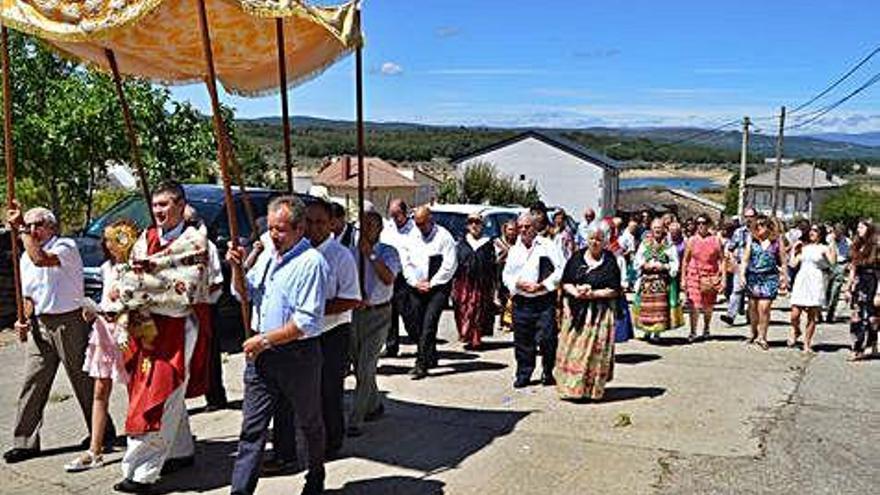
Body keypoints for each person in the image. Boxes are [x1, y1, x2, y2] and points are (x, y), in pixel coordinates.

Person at [106, 182, 220, 493]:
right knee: (155, 391)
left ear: (181, 205)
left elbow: (203, 284)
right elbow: (132, 275)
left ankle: (142, 471)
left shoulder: (198, 243)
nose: (158, 211)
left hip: (179, 328)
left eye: (165, 204)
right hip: (145, 325)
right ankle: (180, 451)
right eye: (155, 205)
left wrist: (151, 284)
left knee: (160, 394)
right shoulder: (146, 238)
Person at [227, 196, 329, 495]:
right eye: (271, 228)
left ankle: (315, 476)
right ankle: (240, 491)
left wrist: (264, 340)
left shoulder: (312, 263)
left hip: (297, 355)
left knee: (309, 421)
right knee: (252, 429)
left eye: (280, 229)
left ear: (299, 228)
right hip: (262, 356)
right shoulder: (269, 256)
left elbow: (306, 322)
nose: (273, 234)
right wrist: (237, 267)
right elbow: (243, 294)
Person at [3, 202, 116, 465]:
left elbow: (40, 259)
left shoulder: (64, 247)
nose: (32, 230)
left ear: (52, 226)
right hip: (41, 323)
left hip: (69, 321)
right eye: (28, 225)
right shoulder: (25, 256)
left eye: (37, 225)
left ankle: (101, 430)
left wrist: (20, 229)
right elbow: (30, 294)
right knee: (33, 381)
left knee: (82, 378)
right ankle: (24, 441)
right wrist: (22, 319)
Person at [65, 220, 136, 472]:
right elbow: (105, 298)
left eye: (116, 238)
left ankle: (138, 441)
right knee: (99, 390)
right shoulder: (107, 267)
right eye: (106, 239)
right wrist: (92, 311)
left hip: (127, 333)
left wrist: (119, 308)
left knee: (134, 389)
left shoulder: (135, 268)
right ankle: (95, 449)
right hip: (104, 333)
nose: (110, 244)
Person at [306, 200, 361, 455]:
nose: (314, 227)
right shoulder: (300, 252)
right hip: (304, 333)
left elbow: (351, 298)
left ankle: (332, 441)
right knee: (309, 391)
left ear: (331, 225)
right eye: (309, 221)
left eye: (320, 222)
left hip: (332, 332)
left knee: (329, 390)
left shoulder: (341, 256)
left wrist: (315, 310)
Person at [554, 222, 621, 400]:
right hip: (577, 310)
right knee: (572, 350)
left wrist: (594, 293)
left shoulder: (610, 260)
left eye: (599, 239)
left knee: (594, 353)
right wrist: (576, 292)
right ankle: (571, 388)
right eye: (591, 238)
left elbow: (615, 289)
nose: (594, 242)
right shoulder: (576, 258)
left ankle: (591, 390)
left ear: (605, 241)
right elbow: (566, 282)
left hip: (599, 313)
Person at [348, 211, 401, 437]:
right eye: (363, 225)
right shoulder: (351, 253)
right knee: (358, 364)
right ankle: (374, 403)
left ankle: (355, 419)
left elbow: (388, 278)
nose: (366, 229)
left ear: (379, 228)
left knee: (366, 365)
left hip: (379, 313)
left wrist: (369, 255)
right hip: (356, 313)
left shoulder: (388, 252)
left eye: (371, 225)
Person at [502, 213, 565, 388]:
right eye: (520, 227)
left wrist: (543, 285)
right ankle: (524, 373)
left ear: (535, 227)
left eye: (527, 227)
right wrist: (517, 284)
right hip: (521, 301)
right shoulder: (515, 249)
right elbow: (506, 275)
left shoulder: (547, 246)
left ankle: (548, 370)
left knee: (547, 338)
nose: (523, 230)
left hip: (543, 300)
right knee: (523, 341)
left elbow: (560, 269)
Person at [402, 206, 457, 379]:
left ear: (430, 220)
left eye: (423, 224)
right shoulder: (412, 237)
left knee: (429, 325)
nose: (420, 228)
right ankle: (430, 354)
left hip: (437, 288)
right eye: (417, 224)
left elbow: (449, 265)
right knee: (415, 325)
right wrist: (415, 282)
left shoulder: (444, 237)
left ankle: (421, 363)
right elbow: (406, 263)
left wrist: (431, 283)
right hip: (416, 286)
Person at [741, 215, 788, 351]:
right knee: (753, 308)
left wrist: (784, 278)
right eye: (757, 226)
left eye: (762, 225)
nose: (759, 228)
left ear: (768, 227)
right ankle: (753, 332)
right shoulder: (752, 241)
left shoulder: (777, 241)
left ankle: (763, 336)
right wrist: (743, 275)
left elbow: (783, 261)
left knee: (764, 307)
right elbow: (745, 259)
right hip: (753, 277)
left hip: (769, 277)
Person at [632, 219, 683, 341]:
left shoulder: (668, 245)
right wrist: (644, 265)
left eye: (659, 228)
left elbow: (675, 262)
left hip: (661, 280)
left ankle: (657, 332)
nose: (657, 230)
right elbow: (638, 259)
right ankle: (646, 331)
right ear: (651, 229)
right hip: (647, 280)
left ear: (664, 229)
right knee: (646, 306)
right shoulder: (645, 243)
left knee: (659, 307)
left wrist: (665, 266)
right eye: (655, 228)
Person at [452, 213, 497, 350]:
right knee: (463, 309)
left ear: (482, 225)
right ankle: (466, 334)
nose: (474, 225)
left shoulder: (488, 244)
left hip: (481, 283)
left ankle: (476, 338)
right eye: (471, 222)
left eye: (477, 222)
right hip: (463, 283)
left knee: (478, 309)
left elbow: (492, 266)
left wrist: (494, 288)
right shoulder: (461, 243)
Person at [789, 224, 836, 353]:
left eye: (815, 230)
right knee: (795, 313)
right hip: (802, 279)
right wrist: (794, 250)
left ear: (820, 233)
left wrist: (832, 245)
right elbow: (793, 264)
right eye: (811, 230)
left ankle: (807, 343)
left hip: (816, 280)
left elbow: (832, 262)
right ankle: (796, 329)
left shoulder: (824, 248)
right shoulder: (804, 247)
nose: (812, 233)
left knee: (811, 314)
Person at [380, 198, 415, 357]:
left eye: (397, 214)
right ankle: (391, 345)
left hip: (405, 276)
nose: (394, 218)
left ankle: (419, 340)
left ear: (405, 213)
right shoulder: (388, 228)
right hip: (389, 274)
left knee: (408, 313)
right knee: (390, 313)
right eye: (392, 214)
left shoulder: (414, 230)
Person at [682, 215, 724, 342]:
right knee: (693, 305)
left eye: (704, 223)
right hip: (694, 275)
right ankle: (693, 331)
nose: (701, 225)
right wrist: (683, 279)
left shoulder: (716, 240)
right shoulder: (691, 240)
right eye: (698, 223)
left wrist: (723, 280)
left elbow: (722, 260)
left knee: (708, 306)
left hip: (711, 276)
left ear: (709, 224)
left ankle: (706, 327)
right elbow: (685, 260)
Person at [846, 219, 879, 361]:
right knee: (857, 316)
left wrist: (879, 291)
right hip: (859, 283)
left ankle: (871, 342)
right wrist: (848, 287)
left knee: (872, 318)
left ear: (869, 229)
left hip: (873, 281)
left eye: (861, 227)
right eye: (858, 227)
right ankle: (857, 347)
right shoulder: (857, 245)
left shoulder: (876, 246)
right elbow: (853, 267)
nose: (858, 229)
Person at [721, 208, 756, 325]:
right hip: (740, 266)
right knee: (736, 291)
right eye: (746, 216)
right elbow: (730, 248)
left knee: (753, 293)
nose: (748, 219)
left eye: (751, 216)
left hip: (755, 266)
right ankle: (730, 315)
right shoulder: (739, 232)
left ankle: (751, 316)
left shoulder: (759, 232)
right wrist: (733, 261)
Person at [494, 220, 518, 333]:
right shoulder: (498, 242)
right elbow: (496, 259)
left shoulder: (519, 242)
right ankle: (503, 321)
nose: (512, 233)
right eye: (510, 230)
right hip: (501, 270)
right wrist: (506, 251)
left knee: (512, 296)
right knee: (503, 297)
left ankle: (510, 321)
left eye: (514, 230)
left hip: (515, 272)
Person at [825, 223, 851, 322]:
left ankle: (830, 313)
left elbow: (849, 255)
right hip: (829, 266)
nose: (838, 234)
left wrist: (847, 266)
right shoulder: (828, 239)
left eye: (840, 232)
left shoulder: (848, 242)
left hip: (841, 265)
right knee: (826, 290)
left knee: (835, 291)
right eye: (836, 232)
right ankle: (825, 308)